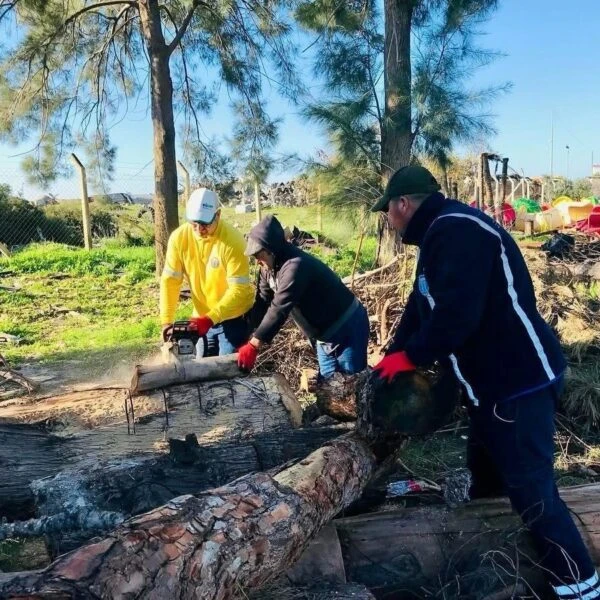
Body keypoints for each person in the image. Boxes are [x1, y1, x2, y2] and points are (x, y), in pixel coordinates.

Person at [371, 165, 599, 600]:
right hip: (488, 391)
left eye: (389, 212)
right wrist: (392, 358)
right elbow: (421, 306)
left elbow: (457, 316)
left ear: (403, 204)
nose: (389, 221)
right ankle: (502, 566)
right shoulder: (439, 234)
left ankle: (581, 589)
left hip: (517, 383)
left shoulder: (457, 232)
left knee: (534, 497)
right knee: (487, 486)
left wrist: (413, 356)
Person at [236, 214, 369, 378]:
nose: (257, 261)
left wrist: (254, 344)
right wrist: (247, 336)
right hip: (323, 336)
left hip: (347, 328)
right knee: (329, 386)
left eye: (258, 255)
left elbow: (279, 308)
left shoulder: (295, 265)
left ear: (270, 249)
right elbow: (263, 301)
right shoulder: (267, 268)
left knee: (351, 385)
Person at [160, 188, 254, 356]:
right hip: (202, 318)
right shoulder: (179, 238)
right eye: (194, 224)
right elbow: (170, 281)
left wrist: (211, 318)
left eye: (204, 224)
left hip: (233, 318)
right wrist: (166, 321)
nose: (198, 229)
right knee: (200, 368)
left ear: (218, 215)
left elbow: (239, 291)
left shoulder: (233, 242)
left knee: (227, 372)